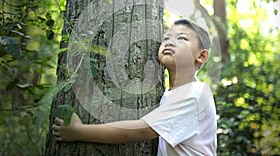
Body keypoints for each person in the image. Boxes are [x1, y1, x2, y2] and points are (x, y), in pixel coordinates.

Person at [52, 19, 217, 155]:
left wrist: (78, 131)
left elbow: (139, 131)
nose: (170, 43)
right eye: (166, 38)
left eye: (181, 38)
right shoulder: (169, 95)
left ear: (201, 55)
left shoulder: (195, 93)